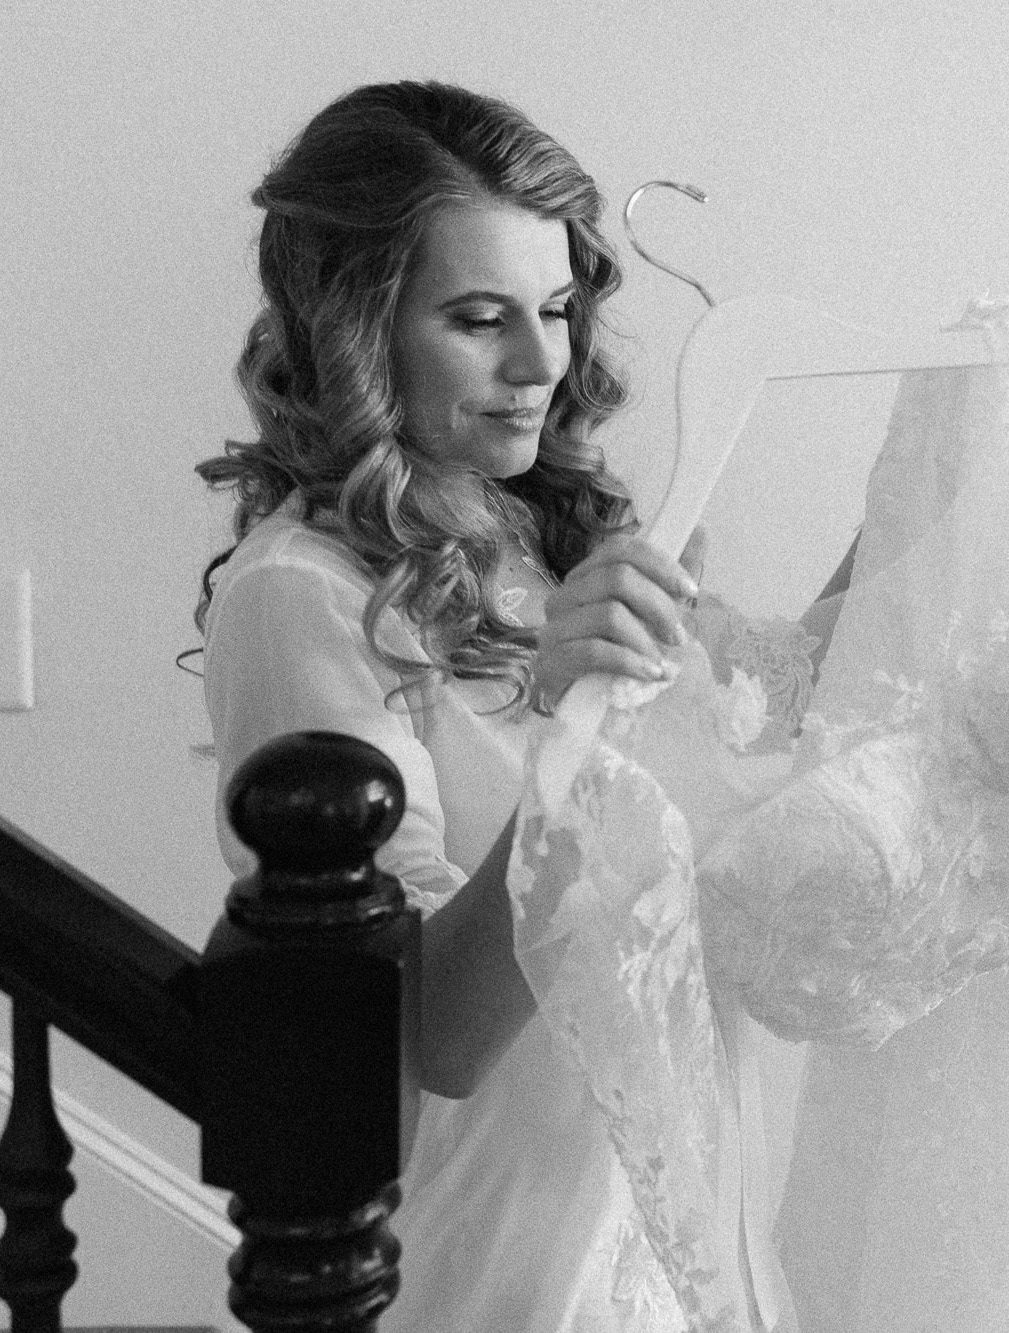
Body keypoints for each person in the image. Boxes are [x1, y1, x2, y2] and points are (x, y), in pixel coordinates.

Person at [194, 81, 703, 1330]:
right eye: (481, 319)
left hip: (638, 1222)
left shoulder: (539, 543)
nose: (542, 364)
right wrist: (575, 741)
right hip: (490, 1270)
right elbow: (430, 1040)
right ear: (357, 334)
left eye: (555, 310)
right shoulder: (295, 596)